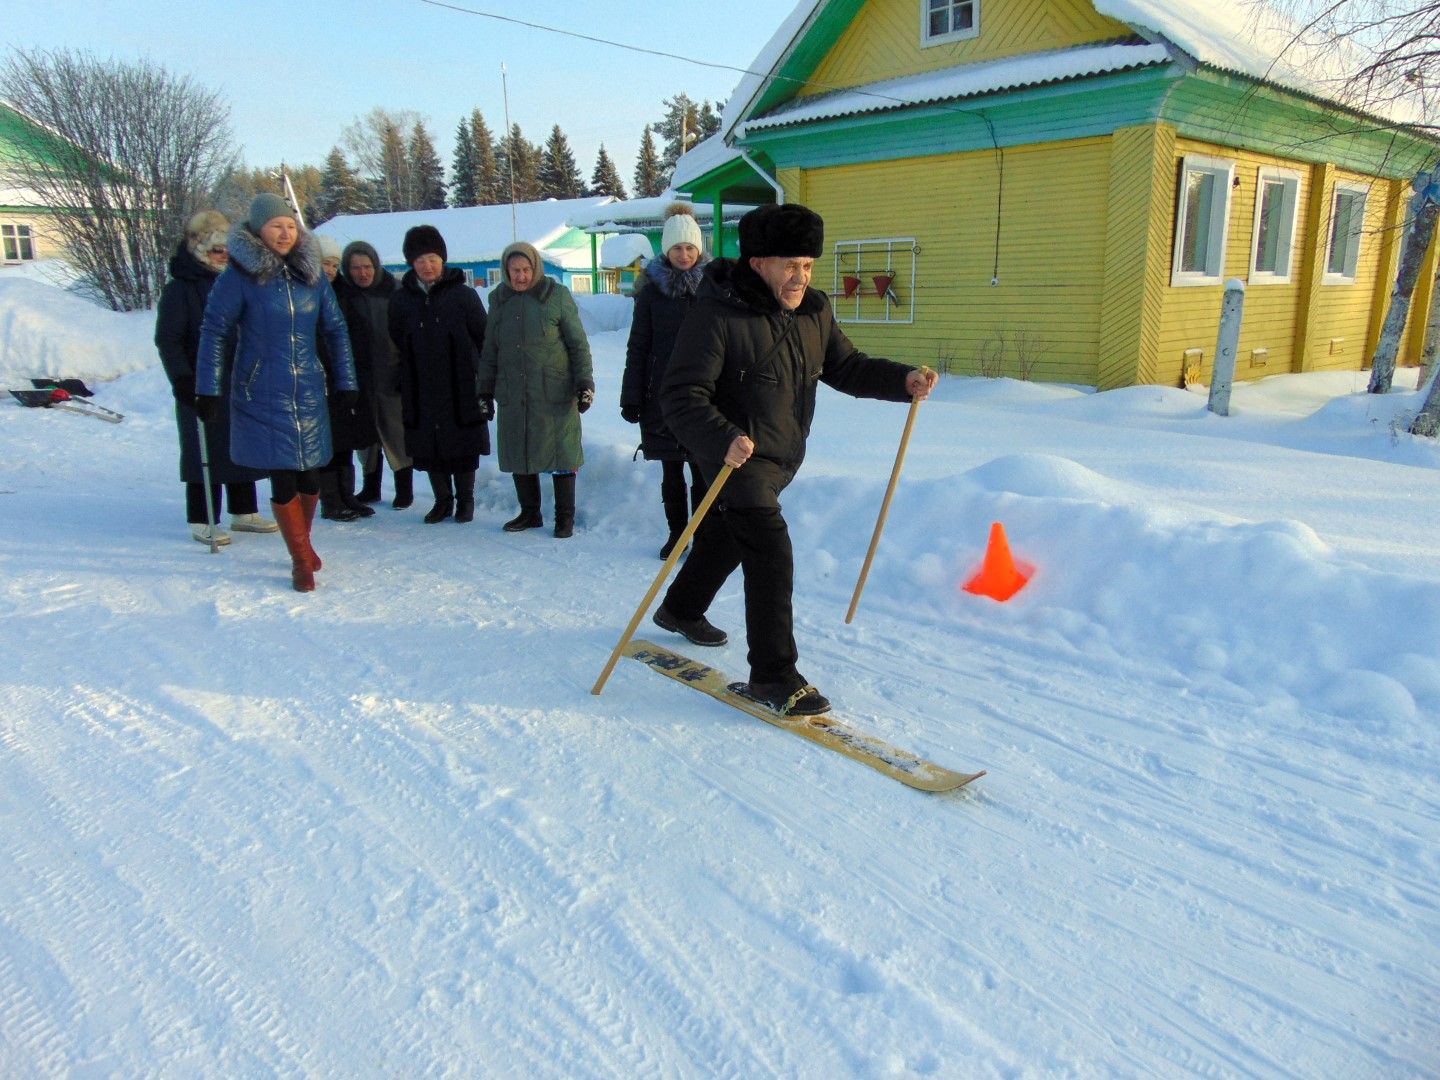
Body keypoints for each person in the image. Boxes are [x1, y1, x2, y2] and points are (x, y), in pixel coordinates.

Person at [653, 202, 937, 716]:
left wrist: (902, 381)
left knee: (724, 535)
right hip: (732, 456)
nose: (800, 277)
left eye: (807, 265)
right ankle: (774, 675)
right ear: (758, 261)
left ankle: (680, 609)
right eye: (790, 265)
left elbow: (846, 366)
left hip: (782, 452)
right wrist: (723, 438)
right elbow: (680, 395)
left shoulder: (814, 311)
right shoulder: (718, 312)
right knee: (768, 550)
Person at [193, 192, 358, 592]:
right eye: (275, 226)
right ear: (258, 231)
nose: (284, 233)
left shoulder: (312, 275)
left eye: (289, 226)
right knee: (284, 475)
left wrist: (346, 382)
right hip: (262, 390)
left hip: (308, 390)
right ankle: (300, 559)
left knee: (311, 475)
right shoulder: (239, 277)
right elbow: (214, 330)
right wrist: (207, 388)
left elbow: (335, 330)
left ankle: (303, 542)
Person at [154, 210, 274, 545]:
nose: (221, 256)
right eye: (215, 250)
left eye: (225, 250)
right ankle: (202, 517)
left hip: (240, 381)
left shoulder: (238, 283)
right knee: (202, 448)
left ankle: (244, 511)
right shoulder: (181, 289)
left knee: (241, 445)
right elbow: (168, 338)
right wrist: (181, 378)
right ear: (199, 251)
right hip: (201, 382)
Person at [478, 241, 594, 539]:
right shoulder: (498, 300)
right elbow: (490, 350)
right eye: (514, 270)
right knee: (521, 451)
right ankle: (530, 513)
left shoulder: (555, 296)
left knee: (562, 454)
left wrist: (584, 383)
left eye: (526, 269)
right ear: (505, 271)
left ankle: (564, 519)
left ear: (536, 268)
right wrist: (483, 391)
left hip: (554, 390)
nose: (521, 276)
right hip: (513, 391)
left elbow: (578, 344)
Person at [622, 203, 709, 558]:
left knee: (703, 471)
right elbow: (638, 346)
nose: (684, 254)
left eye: (690, 248)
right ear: (667, 251)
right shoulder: (650, 294)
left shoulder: (713, 290)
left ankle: (703, 537)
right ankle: (677, 534)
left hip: (706, 396)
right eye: (677, 248)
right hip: (662, 397)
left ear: (699, 250)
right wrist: (632, 397)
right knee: (672, 471)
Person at [387, 225, 490, 524]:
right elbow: (396, 339)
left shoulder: (463, 296)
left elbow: (483, 338)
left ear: (442, 259)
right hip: (420, 384)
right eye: (420, 260)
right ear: (411, 263)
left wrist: (484, 378)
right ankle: (442, 500)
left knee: (462, 441)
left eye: (432, 258)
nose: (427, 265)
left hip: (460, 383)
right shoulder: (402, 301)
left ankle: (465, 501)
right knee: (428, 443)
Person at [343, 241, 414, 511]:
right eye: (356, 268)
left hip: (391, 372)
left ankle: (404, 490)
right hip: (359, 375)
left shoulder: (394, 292)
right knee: (366, 437)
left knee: (396, 434)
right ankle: (370, 487)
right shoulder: (345, 295)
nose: (363, 273)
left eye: (367, 267)